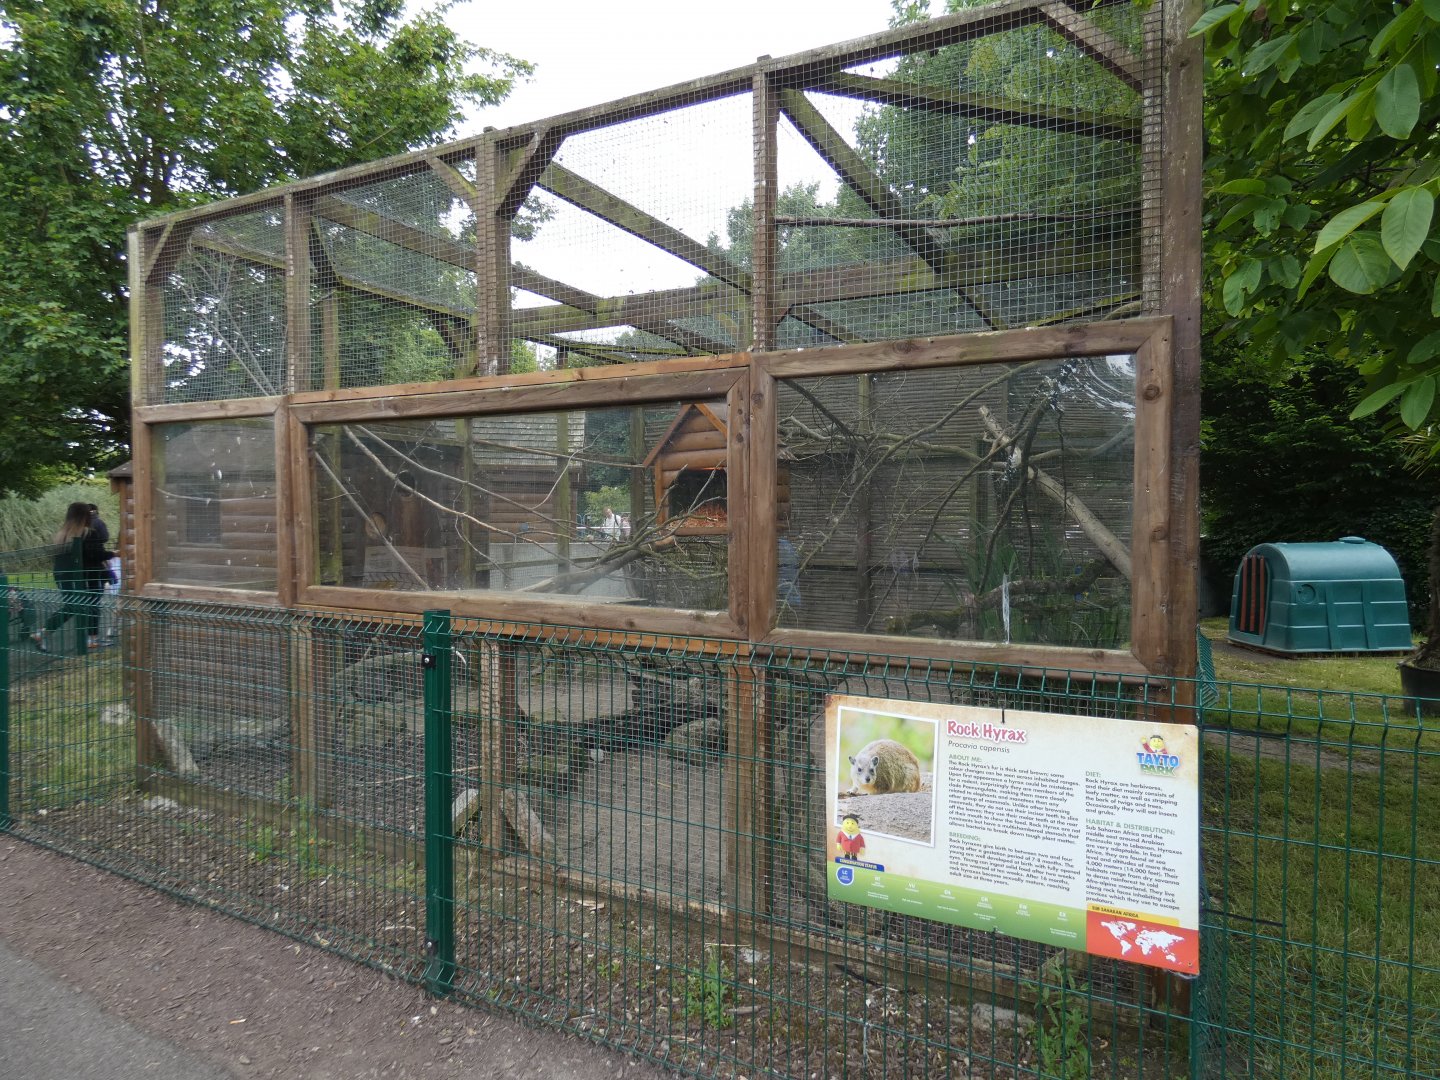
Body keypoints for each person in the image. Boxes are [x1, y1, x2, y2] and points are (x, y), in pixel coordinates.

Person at [32, 501, 114, 653]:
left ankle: (42, 634)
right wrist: (114, 554)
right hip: (84, 577)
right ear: (85, 516)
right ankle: (91, 639)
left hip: (63, 576)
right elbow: (95, 555)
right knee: (89, 604)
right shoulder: (87, 533)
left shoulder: (62, 535)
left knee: (73, 606)